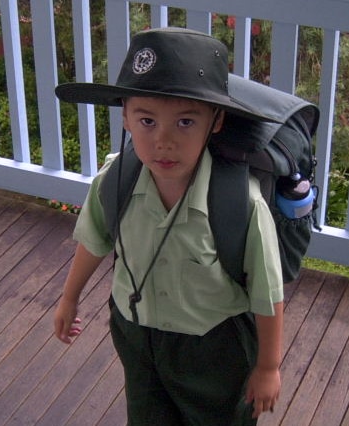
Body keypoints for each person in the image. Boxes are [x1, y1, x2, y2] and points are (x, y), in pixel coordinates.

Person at [53, 27, 284, 425]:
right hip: (136, 334)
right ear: (125, 116)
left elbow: (268, 294)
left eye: (184, 123)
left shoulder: (240, 205)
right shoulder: (115, 182)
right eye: (146, 120)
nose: (163, 141)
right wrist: (69, 297)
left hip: (213, 346)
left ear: (216, 121)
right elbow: (95, 239)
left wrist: (267, 367)